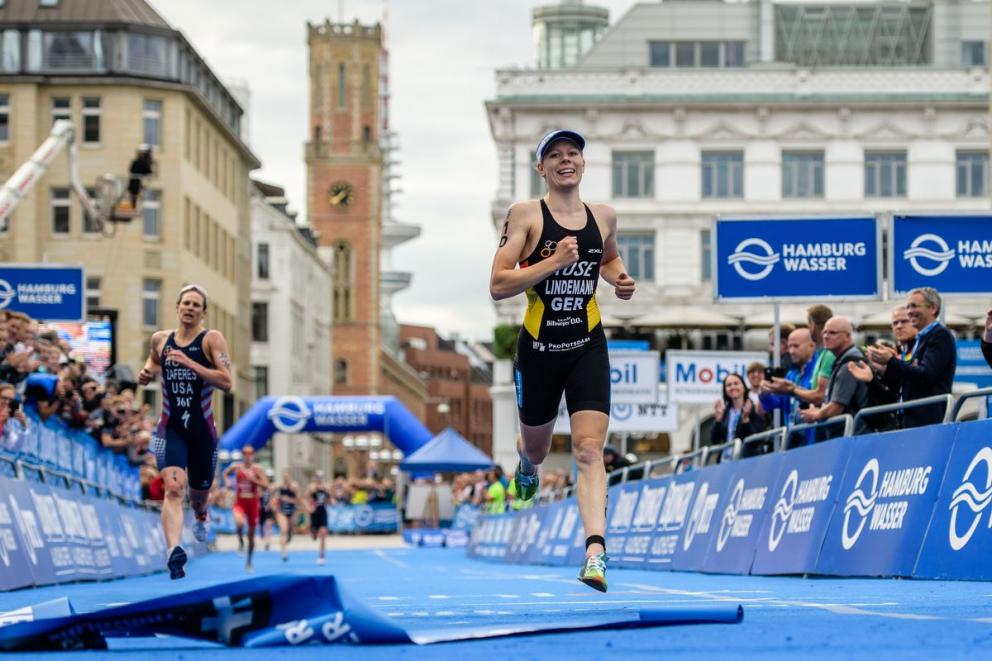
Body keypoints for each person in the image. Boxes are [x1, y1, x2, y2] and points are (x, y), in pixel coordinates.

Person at [489, 128, 635, 593]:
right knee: (537, 448)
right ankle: (526, 465)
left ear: (583, 164)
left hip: (586, 344)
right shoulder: (525, 214)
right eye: (555, 155)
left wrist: (619, 278)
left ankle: (595, 553)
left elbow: (607, 258)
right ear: (542, 168)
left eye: (573, 153)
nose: (565, 160)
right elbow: (498, 284)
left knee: (589, 449)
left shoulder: (604, 215)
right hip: (539, 349)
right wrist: (552, 263)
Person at [139, 284, 233, 580]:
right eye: (186, 303)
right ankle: (173, 552)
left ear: (203, 313)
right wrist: (147, 371)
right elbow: (154, 359)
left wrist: (190, 363)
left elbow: (226, 381)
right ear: (177, 307)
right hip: (171, 429)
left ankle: (202, 514)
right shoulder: (160, 339)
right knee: (173, 489)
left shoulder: (211, 339)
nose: (190, 308)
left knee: (198, 496)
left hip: (202, 432)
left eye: (196, 305)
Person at [867, 287, 956, 429]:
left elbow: (926, 375)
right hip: (910, 422)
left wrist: (891, 360)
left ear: (933, 308)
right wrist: (883, 370)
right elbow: (905, 381)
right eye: (908, 307)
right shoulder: (920, 339)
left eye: (914, 306)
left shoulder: (940, 335)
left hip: (928, 423)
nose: (909, 311)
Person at [799, 316, 870, 436]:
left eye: (832, 333)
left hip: (852, 437)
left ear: (847, 336)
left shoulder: (849, 365)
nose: (826, 336)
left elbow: (835, 408)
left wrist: (814, 415)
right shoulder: (843, 360)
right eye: (825, 332)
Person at [760, 328, 820, 447]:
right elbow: (777, 403)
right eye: (789, 346)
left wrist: (793, 390)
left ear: (811, 345)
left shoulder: (819, 371)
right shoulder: (792, 374)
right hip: (793, 442)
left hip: (815, 441)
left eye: (796, 346)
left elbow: (819, 398)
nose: (791, 351)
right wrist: (765, 393)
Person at [221, 445, 268, 572]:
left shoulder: (257, 469)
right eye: (245, 453)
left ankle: (249, 561)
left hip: (253, 503)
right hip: (240, 501)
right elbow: (225, 473)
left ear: (253, 455)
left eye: (250, 453)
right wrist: (227, 482)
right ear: (242, 455)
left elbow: (266, 485)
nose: (247, 456)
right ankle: (241, 542)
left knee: (251, 537)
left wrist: (255, 481)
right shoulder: (237, 467)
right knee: (239, 522)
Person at [711, 373, 766, 455]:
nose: (733, 387)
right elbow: (714, 440)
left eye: (736, 383)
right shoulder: (725, 412)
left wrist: (746, 420)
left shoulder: (754, 409)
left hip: (746, 460)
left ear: (744, 387)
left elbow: (756, 442)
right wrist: (718, 420)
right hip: (725, 460)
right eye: (729, 385)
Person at [273, 469, 302, 562]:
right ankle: (283, 552)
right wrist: (275, 500)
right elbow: (272, 495)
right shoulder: (279, 486)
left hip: (292, 511)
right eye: (284, 477)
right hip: (282, 511)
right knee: (283, 530)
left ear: (290, 477)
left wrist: (289, 499)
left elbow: (299, 500)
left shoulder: (294, 486)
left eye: (287, 477)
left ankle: (290, 535)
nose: (286, 479)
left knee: (290, 529)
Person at [306, 470, 331, 566]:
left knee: (323, 533)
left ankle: (321, 556)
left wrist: (330, 499)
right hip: (314, 513)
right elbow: (305, 497)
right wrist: (309, 507)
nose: (319, 479)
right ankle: (313, 532)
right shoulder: (311, 487)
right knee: (314, 535)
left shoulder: (326, 487)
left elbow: (329, 499)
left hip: (323, 512)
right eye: (317, 477)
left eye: (321, 477)